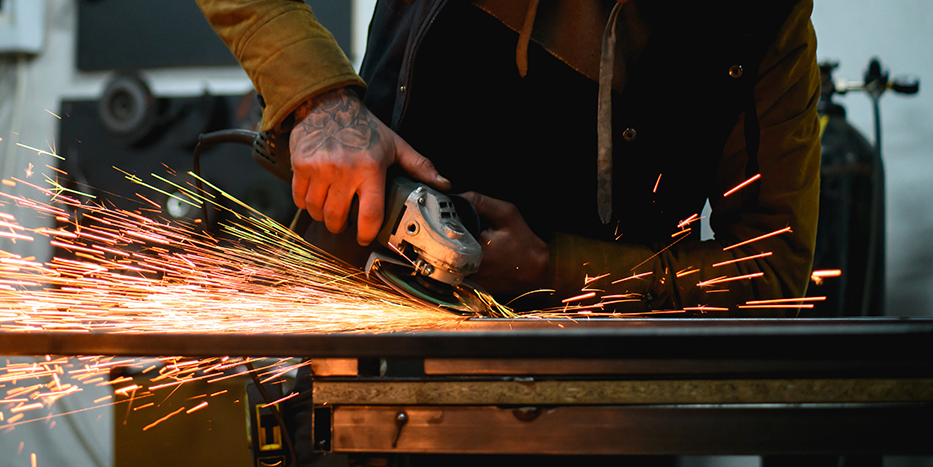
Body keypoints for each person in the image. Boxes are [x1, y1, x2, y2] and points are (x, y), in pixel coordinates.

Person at [198, 0, 821, 313]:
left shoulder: (761, 20)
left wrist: (558, 268)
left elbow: (774, 271)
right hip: (366, 328)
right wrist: (319, 101)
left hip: (598, 398)